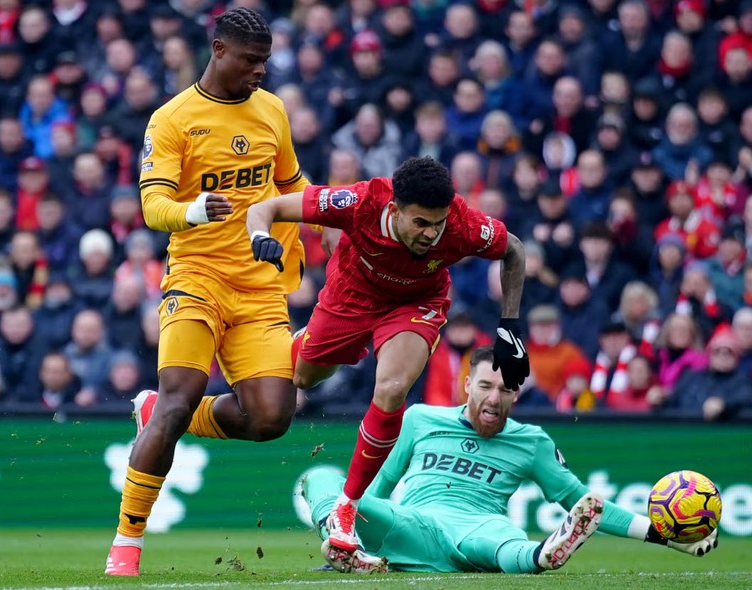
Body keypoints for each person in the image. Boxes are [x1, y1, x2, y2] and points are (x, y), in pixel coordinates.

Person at [104, 8, 332, 577]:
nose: (260, 71)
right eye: (251, 61)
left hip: (258, 286)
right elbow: (153, 207)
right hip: (197, 277)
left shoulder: (272, 110)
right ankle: (127, 542)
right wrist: (193, 210)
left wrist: (331, 213)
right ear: (218, 50)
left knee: (271, 419)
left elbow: (290, 185)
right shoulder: (172, 119)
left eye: (265, 61)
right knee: (179, 397)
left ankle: (159, 413)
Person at [245, 156, 530, 560]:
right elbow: (266, 208)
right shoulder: (359, 202)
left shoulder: (464, 226)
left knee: (393, 387)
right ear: (394, 210)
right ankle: (315, 341)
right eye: (420, 223)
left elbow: (514, 250)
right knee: (304, 379)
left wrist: (510, 326)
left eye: (438, 223)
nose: (432, 234)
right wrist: (259, 236)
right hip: (351, 297)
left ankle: (347, 507)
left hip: (416, 303)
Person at [301, 346, 719, 574]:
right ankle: (347, 545)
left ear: (516, 394)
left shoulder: (531, 442)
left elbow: (581, 503)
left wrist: (666, 536)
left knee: (505, 544)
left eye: (504, 390)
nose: (493, 397)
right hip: (413, 524)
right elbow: (379, 484)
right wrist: (360, 523)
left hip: (480, 525)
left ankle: (543, 556)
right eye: (485, 386)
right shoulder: (420, 418)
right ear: (467, 385)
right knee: (322, 478)